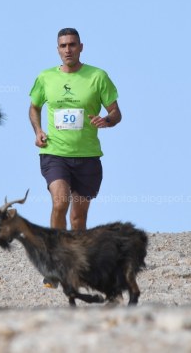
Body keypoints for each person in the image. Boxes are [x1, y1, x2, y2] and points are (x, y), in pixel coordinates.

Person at [29, 28, 121, 286]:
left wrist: (107, 120)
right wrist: (38, 131)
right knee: (60, 202)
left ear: (81, 47)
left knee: (78, 218)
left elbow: (116, 112)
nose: (67, 49)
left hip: (88, 157)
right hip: (55, 153)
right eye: (63, 45)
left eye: (72, 44)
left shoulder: (97, 77)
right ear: (57, 49)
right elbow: (34, 106)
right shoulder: (46, 78)